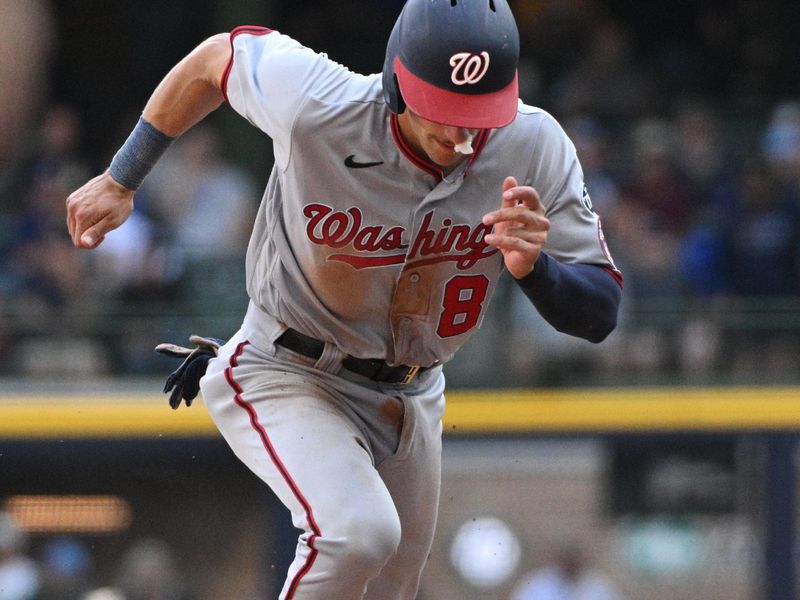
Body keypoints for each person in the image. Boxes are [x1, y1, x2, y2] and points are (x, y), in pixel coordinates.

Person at [66, 1, 622, 598]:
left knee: (392, 584)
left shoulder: (533, 145)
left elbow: (600, 314)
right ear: (397, 83)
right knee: (356, 534)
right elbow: (214, 60)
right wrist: (121, 177)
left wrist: (537, 271)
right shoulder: (320, 102)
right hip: (289, 366)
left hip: (413, 392)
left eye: (479, 114)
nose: (461, 135)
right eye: (444, 111)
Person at [509, 544, 625, 600]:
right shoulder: (537, 585)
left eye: (573, 562)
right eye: (566, 562)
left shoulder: (598, 585)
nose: (569, 566)